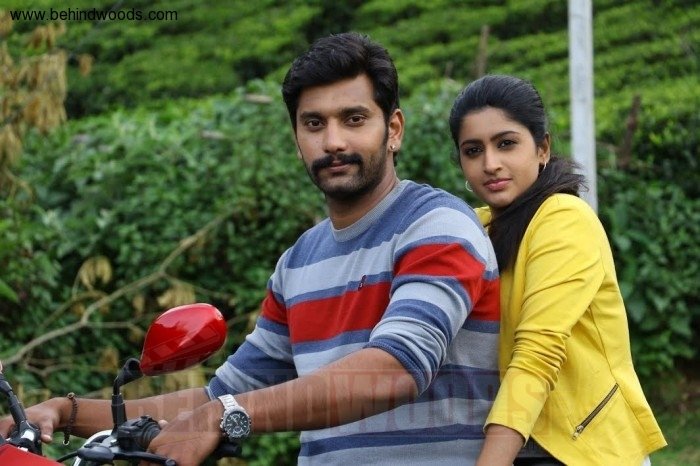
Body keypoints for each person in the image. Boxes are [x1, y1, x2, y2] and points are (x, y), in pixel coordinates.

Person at [0, 33, 501, 466]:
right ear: (296, 138)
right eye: (314, 124)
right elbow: (221, 396)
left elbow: (396, 369)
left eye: (353, 119)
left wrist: (223, 414)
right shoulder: (299, 262)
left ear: (393, 130)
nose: (332, 141)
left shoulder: (436, 225)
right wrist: (65, 412)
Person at [448, 74, 667, 466]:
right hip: (512, 442)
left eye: (506, 143)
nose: (491, 164)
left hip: (584, 448)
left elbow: (537, 353)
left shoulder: (565, 220)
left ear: (542, 148)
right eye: (473, 150)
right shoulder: (473, 229)